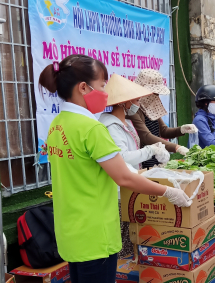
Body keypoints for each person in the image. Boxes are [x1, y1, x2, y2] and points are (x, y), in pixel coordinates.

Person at [39, 55, 192, 283]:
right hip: (95, 235)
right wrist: (168, 192)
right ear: (83, 87)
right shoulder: (92, 129)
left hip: (70, 233)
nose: (105, 93)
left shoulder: (57, 124)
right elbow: (124, 177)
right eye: (101, 86)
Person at [127, 69, 197, 167]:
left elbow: (163, 130)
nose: (156, 96)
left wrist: (181, 129)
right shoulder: (133, 109)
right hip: (143, 159)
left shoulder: (151, 105)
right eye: (154, 93)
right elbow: (146, 136)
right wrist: (176, 147)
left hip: (157, 157)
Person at [99, 74, 170, 170]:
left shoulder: (127, 123)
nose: (138, 104)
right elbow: (122, 157)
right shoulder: (112, 127)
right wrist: (151, 150)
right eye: (137, 100)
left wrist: (155, 149)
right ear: (123, 102)